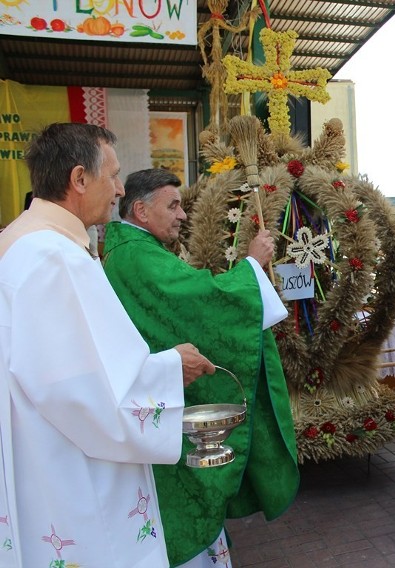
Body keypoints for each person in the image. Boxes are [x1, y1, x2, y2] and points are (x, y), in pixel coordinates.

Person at [0, 122, 214, 568]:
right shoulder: (54, 258)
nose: (119, 189)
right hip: (71, 468)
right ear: (79, 179)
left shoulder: (23, 243)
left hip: (39, 452)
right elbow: (87, 394)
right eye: (112, 175)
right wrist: (171, 366)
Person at [102, 168, 301, 567]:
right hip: (159, 406)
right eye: (172, 205)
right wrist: (251, 267)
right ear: (141, 210)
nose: (182, 215)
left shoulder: (134, 250)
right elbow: (201, 302)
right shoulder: (135, 255)